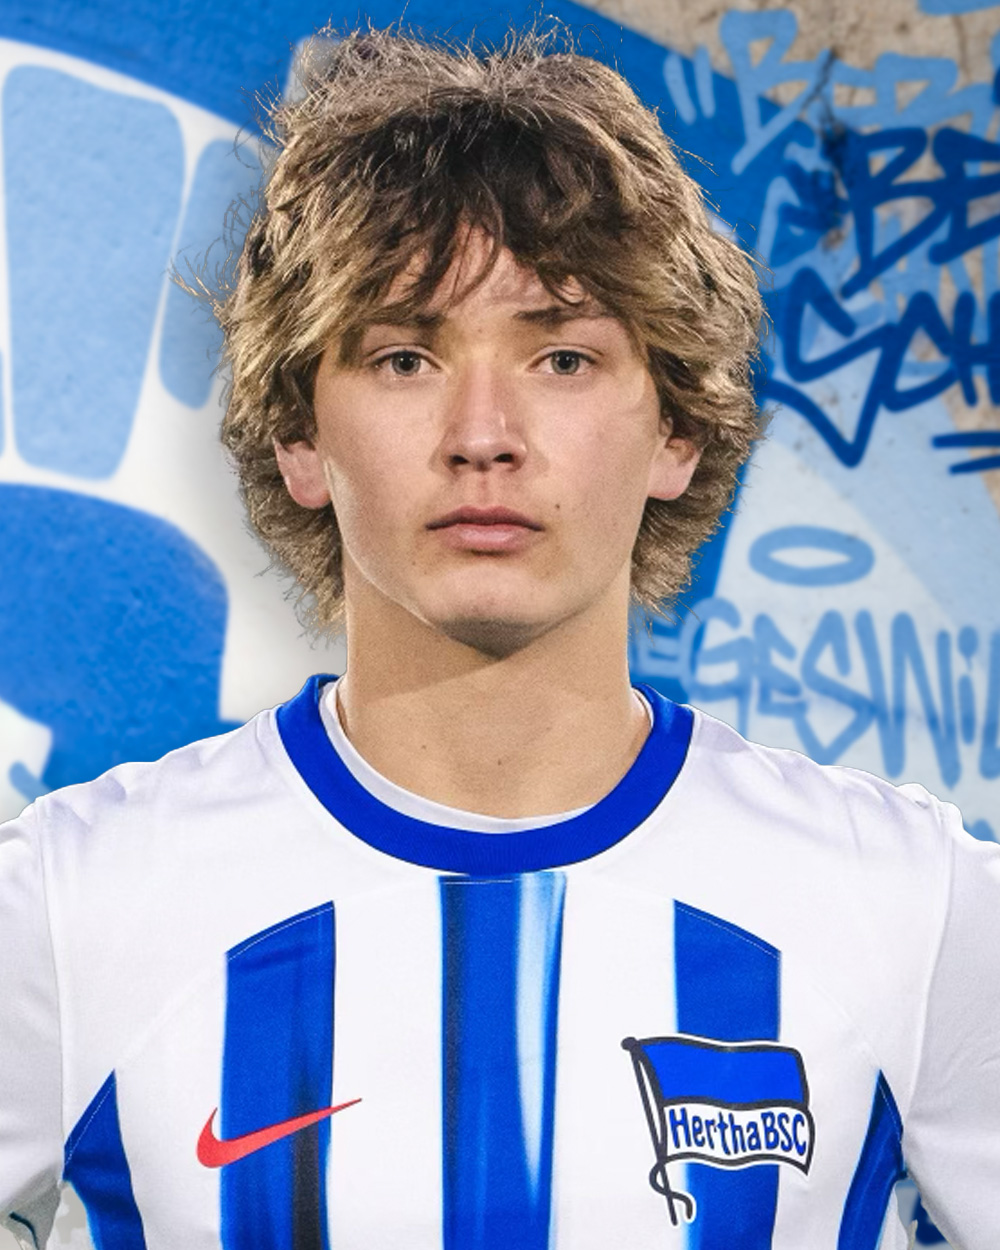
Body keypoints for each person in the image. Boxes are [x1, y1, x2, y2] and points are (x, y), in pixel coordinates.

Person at [1, 23, 997, 1250]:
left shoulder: (916, 906)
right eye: (404, 356)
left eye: (562, 356)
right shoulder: (70, 905)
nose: (483, 434)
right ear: (299, 434)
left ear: (676, 429)